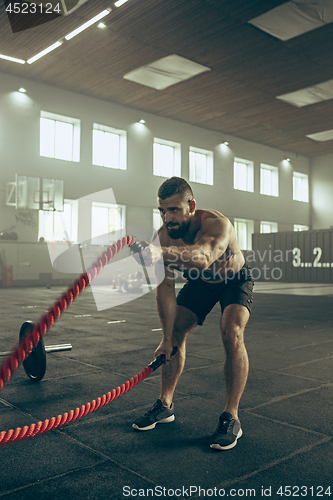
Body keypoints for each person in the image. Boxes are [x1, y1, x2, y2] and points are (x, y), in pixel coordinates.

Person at [131, 177, 254, 450]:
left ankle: (231, 416)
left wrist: (157, 253)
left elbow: (201, 257)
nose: (168, 217)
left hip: (234, 280)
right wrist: (165, 338)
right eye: (162, 210)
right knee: (175, 334)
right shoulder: (163, 236)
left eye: (174, 209)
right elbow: (165, 288)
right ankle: (165, 404)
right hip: (201, 284)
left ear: (191, 206)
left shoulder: (216, 224)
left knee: (231, 331)